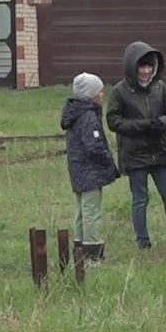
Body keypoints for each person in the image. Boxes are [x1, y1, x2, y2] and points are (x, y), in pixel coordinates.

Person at [106, 41, 166, 251]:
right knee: (140, 198)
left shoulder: (160, 88)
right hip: (134, 153)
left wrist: (160, 123)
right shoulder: (119, 91)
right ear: (132, 67)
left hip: (159, 150)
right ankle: (143, 241)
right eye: (141, 67)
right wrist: (141, 126)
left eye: (149, 67)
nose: (145, 71)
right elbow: (113, 121)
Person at [62, 73, 120, 263]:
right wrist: (108, 161)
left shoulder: (76, 113)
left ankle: (79, 249)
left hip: (78, 170)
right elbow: (94, 146)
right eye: (99, 91)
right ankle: (92, 254)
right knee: (91, 212)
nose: (102, 94)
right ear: (90, 95)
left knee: (81, 211)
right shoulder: (88, 117)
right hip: (90, 172)